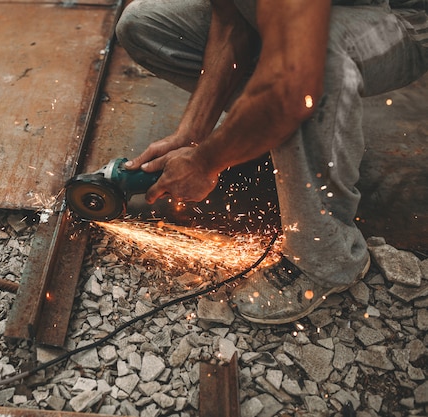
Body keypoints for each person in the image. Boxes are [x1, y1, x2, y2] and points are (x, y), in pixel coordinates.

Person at [116, 0, 428, 324]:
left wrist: (205, 161)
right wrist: (193, 133)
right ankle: (272, 124)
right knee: (144, 23)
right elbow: (229, 22)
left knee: (313, 70)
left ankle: (328, 258)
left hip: (402, 17)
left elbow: (295, 84)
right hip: (293, 19)